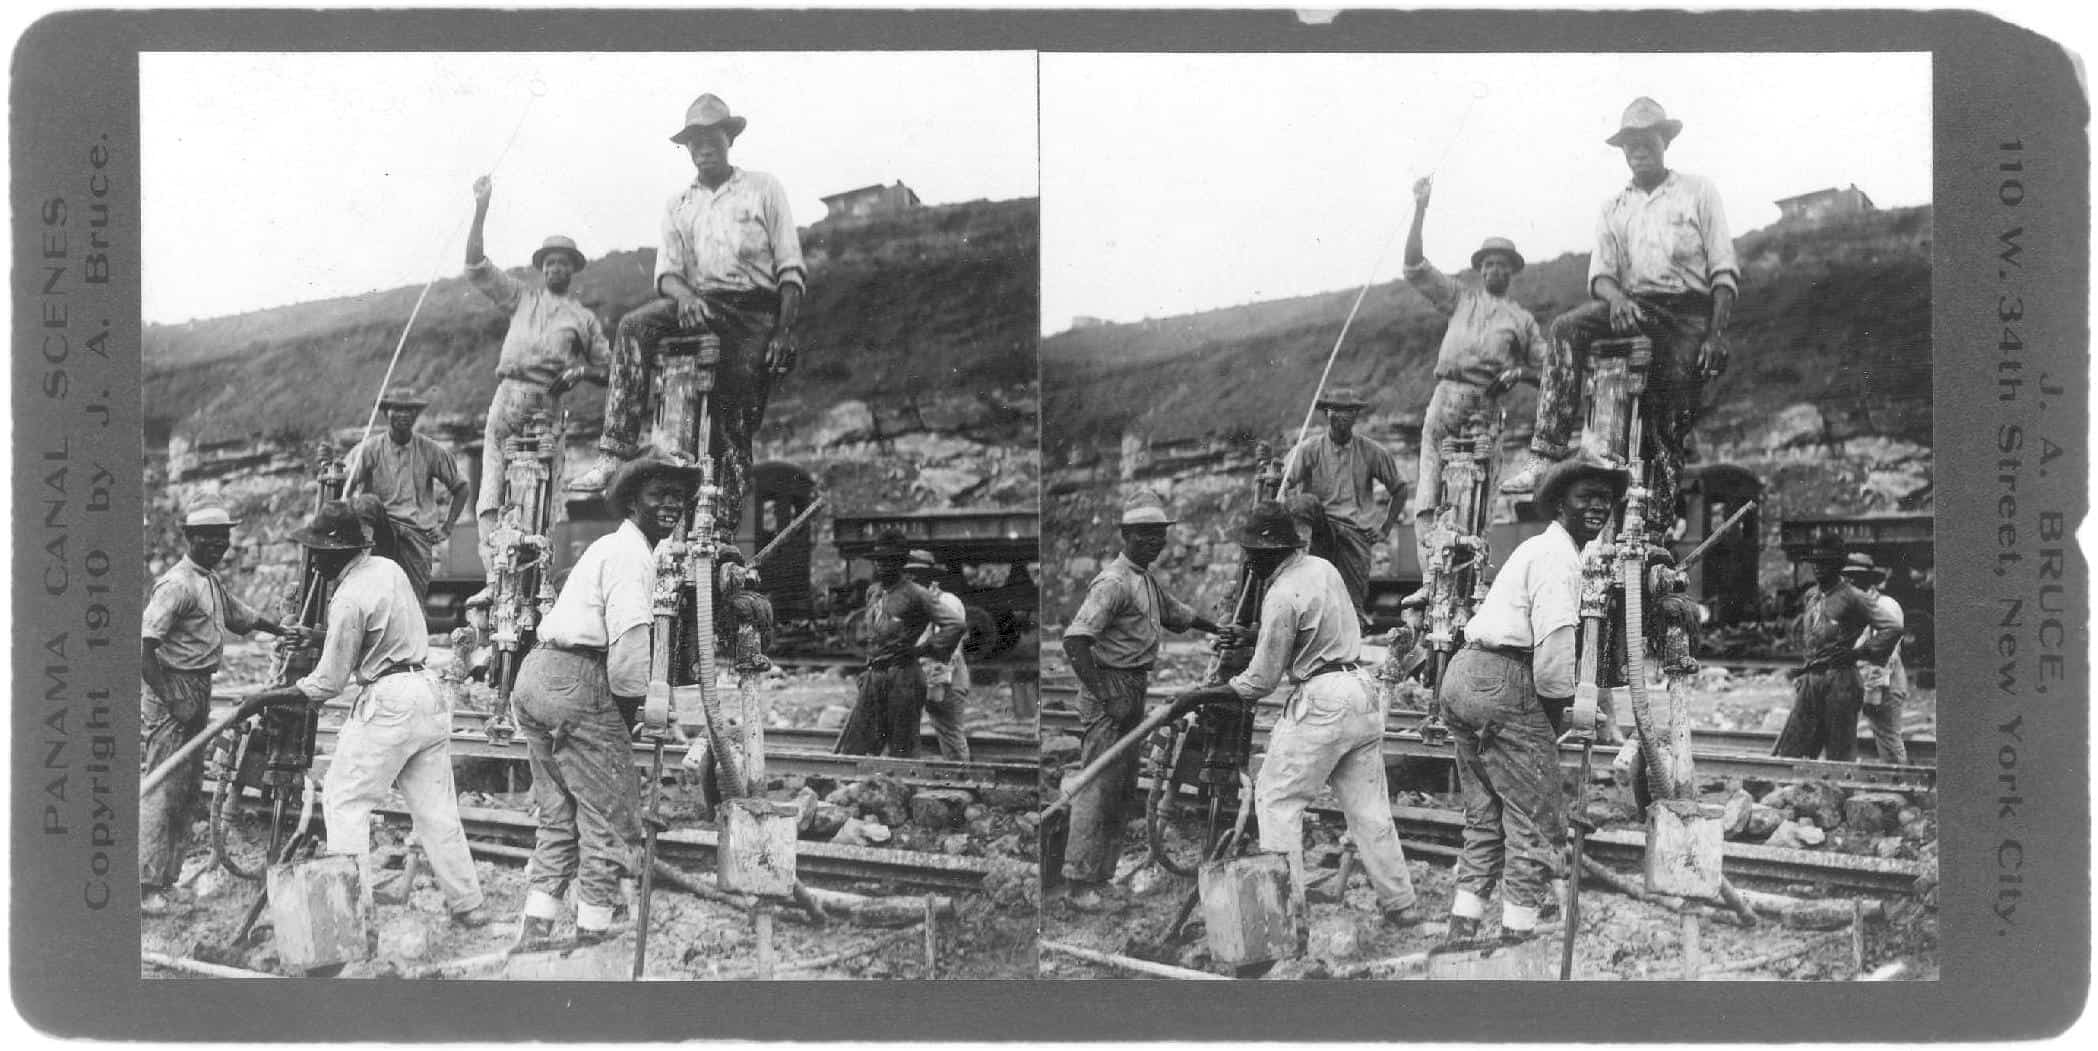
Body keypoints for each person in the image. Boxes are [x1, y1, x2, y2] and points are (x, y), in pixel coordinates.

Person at [569, 93, 806, 545]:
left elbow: (790, 269)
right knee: (634, 327)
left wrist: (784, 330)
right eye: (694, 140)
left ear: (728, 138)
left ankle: (721, 534)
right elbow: (669, 275)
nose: (703, 148)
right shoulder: (678, 204)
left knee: (733, 416)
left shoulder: (764, 189)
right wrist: (684, 298)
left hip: (755, 311)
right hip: (701, 304)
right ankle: (613, 450)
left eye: (711, 137)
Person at [1175, 502, 1422, 933]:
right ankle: (1402, 904)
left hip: (1322, 699)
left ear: (1273, 552)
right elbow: (1314, 629)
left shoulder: (1280, 594)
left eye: (1253, 553)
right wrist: (1256, 638)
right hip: (1359, 690)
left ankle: (1288, 916)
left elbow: (1260, 681)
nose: (1249, 561)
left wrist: (1199, 694)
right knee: (1370, 811)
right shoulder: (1323, 569)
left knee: (1276, 798)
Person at [242, 501, 489, 928]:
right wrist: (322, 636)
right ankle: (469, 904)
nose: (313, 560)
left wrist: (263, 699)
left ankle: (352, 917)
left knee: (344, 799)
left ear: (341, 551)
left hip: (388, 701)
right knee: (436, 811)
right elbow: (380, 632)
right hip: (427, 692)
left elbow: (329, 683)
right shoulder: (388, 570)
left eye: (319, 551)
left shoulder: (347, 596)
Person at [1501, 97, 1739, 526]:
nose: (1638, 151)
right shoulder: (1614, 207)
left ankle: (1658, 524)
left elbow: (1723, 271)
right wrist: (1617, 300)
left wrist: (1715, 335)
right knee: (1565, 328)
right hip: (1636, 306)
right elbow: (1602, 275)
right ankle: (1545, 451)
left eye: (1646, 140)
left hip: (1688, 316)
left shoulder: (1698, 192)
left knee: (1667, 418)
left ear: (1664, 140)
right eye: (1629, 144)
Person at [506, 456, 699, 950]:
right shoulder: (633, 556)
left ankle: (536, 927)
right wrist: (641, 710)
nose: (671, 504)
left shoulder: (610, 547)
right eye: (658, 495)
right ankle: (591, 933)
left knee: (560, 814)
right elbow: (630, 652)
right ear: (632, 501)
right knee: (610, 813)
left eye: (678, 496)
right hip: (577, 679)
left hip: (536, 676)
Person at [1433, 454, 1625, 948]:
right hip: (1504, 679)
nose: (1597, 508)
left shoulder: (1540, 550)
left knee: (1486, 815)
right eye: (1585, 498)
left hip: (1463, 675)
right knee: (1535, 819)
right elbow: (1554, 656)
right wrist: (1571, 712)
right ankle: (1516, 939)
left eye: (1605, 499)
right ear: (1560, 504)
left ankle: (1462, 928)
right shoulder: (1559, 560)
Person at [1058, 490, 1223, 909]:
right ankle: (1079, 884)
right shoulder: (1113, 583)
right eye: (1149, 535)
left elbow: (1178, 614)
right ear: (1129, 535)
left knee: (1121, 786)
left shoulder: (1143, 579)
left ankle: (1101, 878)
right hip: (1110, 689)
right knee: (1097, 784)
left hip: (1131, 686)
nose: (1159, 543)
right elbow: (1076, 641)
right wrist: (1105, 693)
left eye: (1161, 535)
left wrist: (1219, 629)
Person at [139, 507, 294, 916]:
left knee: (188, 787)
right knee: (164, 785)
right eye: (208, 537)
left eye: (223, 538)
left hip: (198, 687)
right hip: (173, 688)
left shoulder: (209, 581)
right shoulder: (176, 585)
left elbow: (242, 616)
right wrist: (173, 698)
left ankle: (166, 880)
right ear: (190, 536)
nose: (217, 545)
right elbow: (144, 649)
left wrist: (284, 631)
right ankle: (145, 884)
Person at [462, 176, 611, 600]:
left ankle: (537, 584)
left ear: (573, 269)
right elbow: (475, 265)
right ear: (541, 268)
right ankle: (494, 578)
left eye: (563, 262)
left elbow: (612, 368)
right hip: (507, 400)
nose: (555, 268)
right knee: (492, 484)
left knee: (546, 491)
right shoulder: (520, 299)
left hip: (548, 407)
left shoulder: (582, 318)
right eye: (549, 262)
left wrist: (581, 373)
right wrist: (481, 207)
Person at [1400, 174, 1547, 592]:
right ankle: (1431, 578)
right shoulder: (1460, 299)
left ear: (1512, 272)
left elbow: (1555, 370)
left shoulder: (1520, 320)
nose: (1494, 270)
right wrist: (1420, 208)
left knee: (1483, 489)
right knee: (1429, 484)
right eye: (1488, 264)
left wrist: (1521, 374)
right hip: (1445, 399)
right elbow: (1414, 267)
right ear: (1480, 269)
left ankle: (1473, 582)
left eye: (1502, 264)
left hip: (1486, 407)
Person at [1772, 532, 1903, 761]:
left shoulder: (1855, 597)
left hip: (1841, 680)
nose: (1818, 568)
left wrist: (1859, 653)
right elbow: (1812, 638)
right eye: (1815, 563)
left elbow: (1892, 628)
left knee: (1839, 751)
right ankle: (1794, 793)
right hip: (1812, 679)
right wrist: (1805, 672)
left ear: (1838, 566)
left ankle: (1841, 793)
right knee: (1796, 748)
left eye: (1826, 563)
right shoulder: (1812, 597)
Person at [835, 532, 966, 758]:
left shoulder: (917, 594)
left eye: (890, 560)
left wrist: (922, 649)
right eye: (879, 560)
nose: (883, 565)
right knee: (863, 739)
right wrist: (868, 668)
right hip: (875, 674)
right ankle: (861, 788)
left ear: (901, 563)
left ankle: (900, 787)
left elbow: (955, 624)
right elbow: (875, 635)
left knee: (901, 742)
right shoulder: (874, 592)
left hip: (903, 676)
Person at [1280, 386, 1405, 618]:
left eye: (1349, 411)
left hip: (1355, 534)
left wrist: (1385, 528)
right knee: (1312, 597)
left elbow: (1399, 489)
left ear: (1356, 416)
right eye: (1336, 411)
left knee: (1351, 605)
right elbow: (1282, 484)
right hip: (1321, 530)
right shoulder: (1309, 450)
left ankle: (1352, 641)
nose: (1342, 417)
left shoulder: (1371, 452)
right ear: (1327, 413)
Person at [344, 386, 469, 603]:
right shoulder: (369, 449)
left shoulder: (430, 450)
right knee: (376, 599)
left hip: (416, 536)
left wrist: (447, 527)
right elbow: (345, 484)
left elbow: (461, 487)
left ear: (415, 415)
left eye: (409, 410)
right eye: (396, 409)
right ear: (386, 413)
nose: (403, 415)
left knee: (412, 602)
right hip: (381, 533)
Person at [904, 549, 973, 763]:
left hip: (946, 681)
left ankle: (962, 783)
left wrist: (935, 686)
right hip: (930, 679)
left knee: (950, 733)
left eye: (913, 575)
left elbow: (947, 651)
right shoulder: (921, 604)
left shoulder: (946, 602)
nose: (909, 580)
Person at [1843, 554, 1911, 764]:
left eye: (1856, 578)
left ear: (1869, 580)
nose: (1850, 582)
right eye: (1849, 577)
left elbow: (1886, 655)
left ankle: (1903, 787)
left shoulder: (1884, 605)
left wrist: (1872, 693)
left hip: (1885, 686)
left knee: (1888, 739)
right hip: (1863, 683)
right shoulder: (1856, 607)